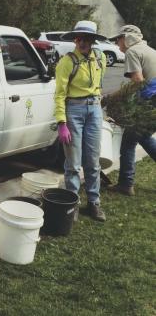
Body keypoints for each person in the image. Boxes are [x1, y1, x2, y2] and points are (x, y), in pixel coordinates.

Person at [54, 21, 107, 222]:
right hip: (73, 110)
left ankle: (94, 203)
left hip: (94, 109)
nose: (82, 42)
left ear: (93, 40)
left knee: (93, 161)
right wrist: (61, 123)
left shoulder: (100, 58)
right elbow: (59, 94)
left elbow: (98, 86)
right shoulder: (67, 62)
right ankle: (73, 203)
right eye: (79, 38)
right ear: (75, 39)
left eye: (87, 38)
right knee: (73, 163)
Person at [107, 25, 156, 196]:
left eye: (118, 39)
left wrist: (111, 98)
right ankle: (126, 183)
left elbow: (137, 82)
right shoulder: (150, 50)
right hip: (153, 103)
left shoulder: (132, 52)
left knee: (129, 142)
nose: (116, 42)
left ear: (127, 38)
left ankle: (126, 184)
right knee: (142, 137)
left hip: (150, 104)